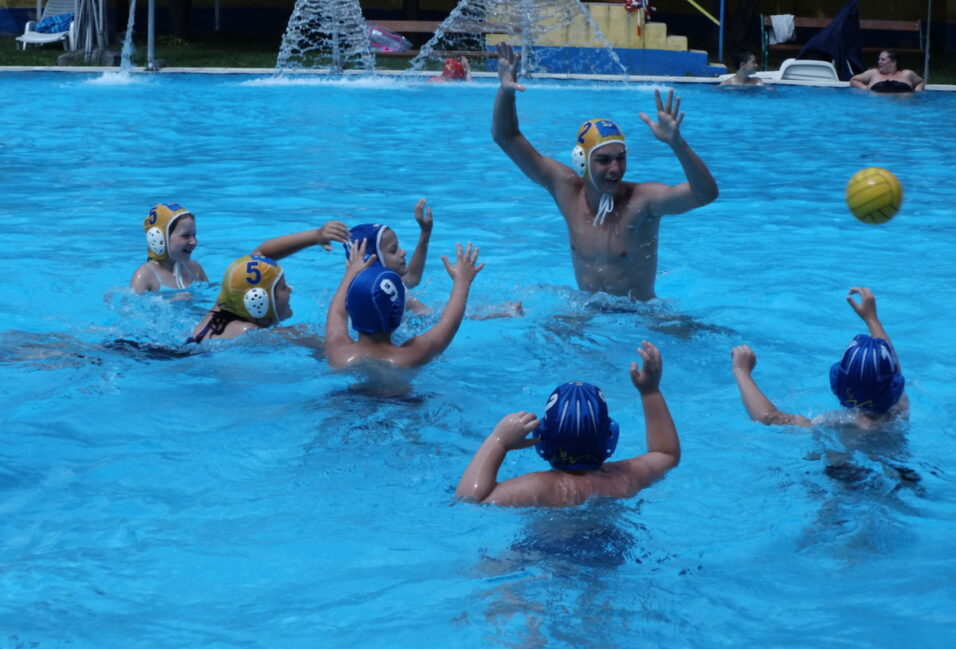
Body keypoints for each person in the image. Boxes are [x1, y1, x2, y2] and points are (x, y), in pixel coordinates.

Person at [491, 41, 718, 302]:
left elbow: (705, 194)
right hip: (587, 310)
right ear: (582, 162)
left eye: (621, 158)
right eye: (604, 160)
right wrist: (505, 91)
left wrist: (678, 144)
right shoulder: (566, 190)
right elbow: (506, 137)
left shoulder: (643, 201)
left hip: (641, 315)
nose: (615, 168)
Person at [455, 341, 680, 507]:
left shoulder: (540, 487)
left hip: (547, 552)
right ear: (610, 436)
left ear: (541, 438)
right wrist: (650, 391)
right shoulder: (624, 478)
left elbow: (469, 500)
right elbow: (666, 454)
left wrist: (498, 442)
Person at [731, 287, 907, 429]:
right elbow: (891, 369)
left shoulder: (839, 424)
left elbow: (768, 418)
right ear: (895, 385)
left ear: (837, 383)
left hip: (845, 463)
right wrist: (872, 319)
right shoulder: (899, 408)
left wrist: (741, 371)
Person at [325, 238, 483, 369]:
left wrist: (350, 273)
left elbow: (337, 314)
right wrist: (462, 281)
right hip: (399, 397)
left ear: (350, 309)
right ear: (398, 313)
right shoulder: (411, 355)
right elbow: (449, 323)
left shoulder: (338, 352)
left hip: (346, 395)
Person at [187, 221, 349, 343]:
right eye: (283, 287)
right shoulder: (249, 333)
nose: (290, 290)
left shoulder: (219, 311)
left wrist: (316, 236)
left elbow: (261, 255)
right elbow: (329, 345)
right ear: (258, 301)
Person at [344, 198, 434, 314]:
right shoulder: (390, 294)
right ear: (373, 261)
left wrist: (425, 233)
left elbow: (411, 279)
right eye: (393, 250)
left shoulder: (354, 293)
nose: (403, 252)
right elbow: (437, 319)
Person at [130, 203, 209, 293]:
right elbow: (132, 302)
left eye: (194, 235)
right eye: (185, 236)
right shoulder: (145, 276)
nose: (194, 242)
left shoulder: (195, 269)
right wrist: (171, 300)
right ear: (160, 237)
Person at [849, 50, 925, 93]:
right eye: (879, 59)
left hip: (902, 107)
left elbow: (921, 82)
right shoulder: (873, 73)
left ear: (894, 62)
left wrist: (918, 90)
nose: (879, 62)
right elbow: (853, 80)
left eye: (883, 59)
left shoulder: (907, 74)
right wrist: (864, 88)